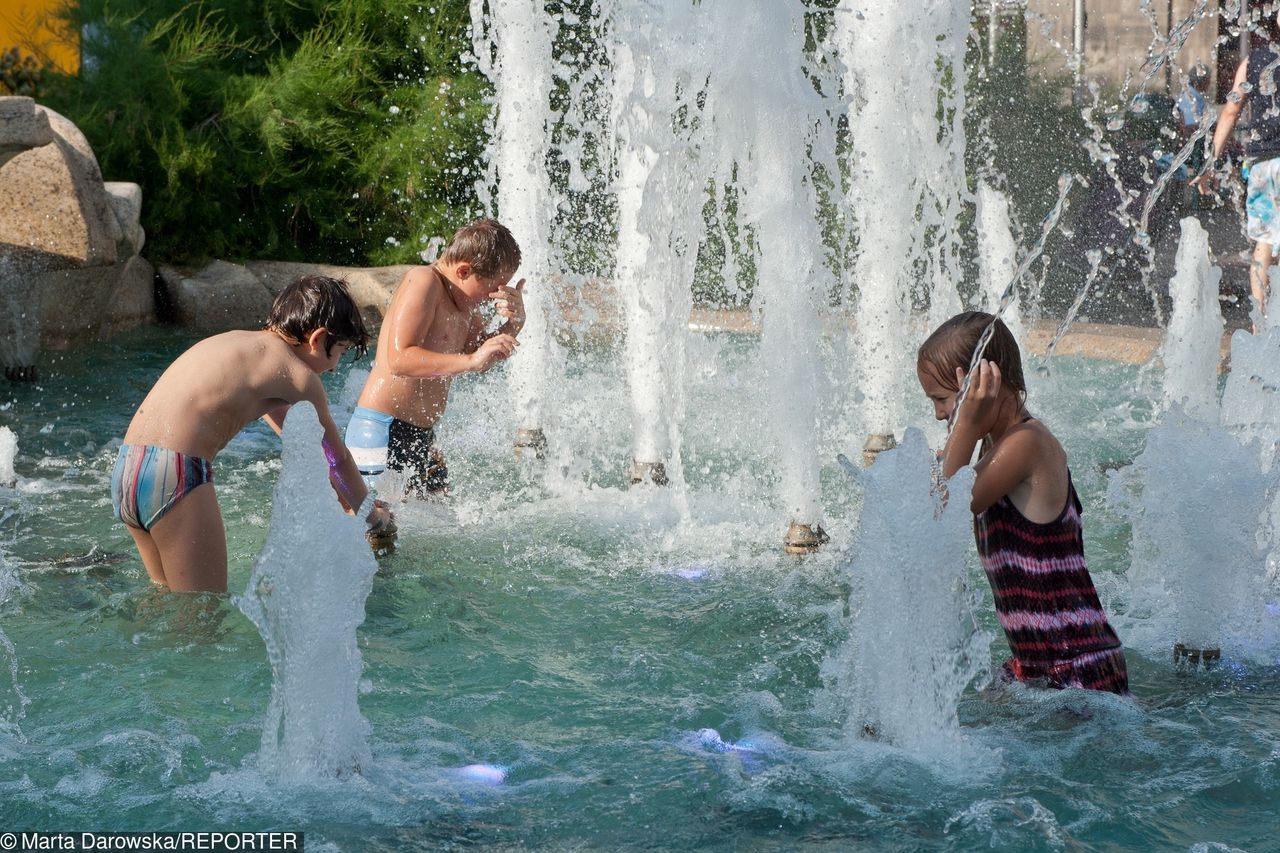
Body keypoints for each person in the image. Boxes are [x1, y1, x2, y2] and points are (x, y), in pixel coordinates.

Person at [111, 275, 394, 593]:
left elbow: (296, 435)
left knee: (166, 600)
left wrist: (343, 498)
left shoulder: (236, 343)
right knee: (202, 621)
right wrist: (370, 514)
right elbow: (335, 457)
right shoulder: (298, 376)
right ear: (317, 338)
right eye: (339, 351)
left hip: (128, 469)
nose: (332, 368)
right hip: (175, 472)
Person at [917, 312, 1130, 696]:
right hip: (1039, 668)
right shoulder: (995, 446)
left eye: (943, 399)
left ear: (981, 385)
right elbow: (924, 501)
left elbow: (935, 514)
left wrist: (964, 425)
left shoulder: (1026, 445)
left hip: (1078, 673)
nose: (938, 414)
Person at [346, 218, 525, 498]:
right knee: (377, 531)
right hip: (382, 430)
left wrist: (513, 325)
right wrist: (471, 361)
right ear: (464, 271)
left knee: (437, 523)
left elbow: (475, 355)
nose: (494, 298)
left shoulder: (464, 304)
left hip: (422, 436)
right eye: (493, 288)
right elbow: (400, 358)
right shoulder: (424, 280)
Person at [1193, 13, 1280, 325]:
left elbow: (1230, 110)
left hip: (1261, 166)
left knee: (1267, 245)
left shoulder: (1253, 61)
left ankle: (1262, 326)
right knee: (1271, 244)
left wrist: (1209, 163)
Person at [1176, 62, 1211, 139]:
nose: (1209, 83)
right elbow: (1191, 125)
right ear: (1203, 81)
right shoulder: (1191, 97)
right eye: (1208, 80)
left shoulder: (1189, 92)